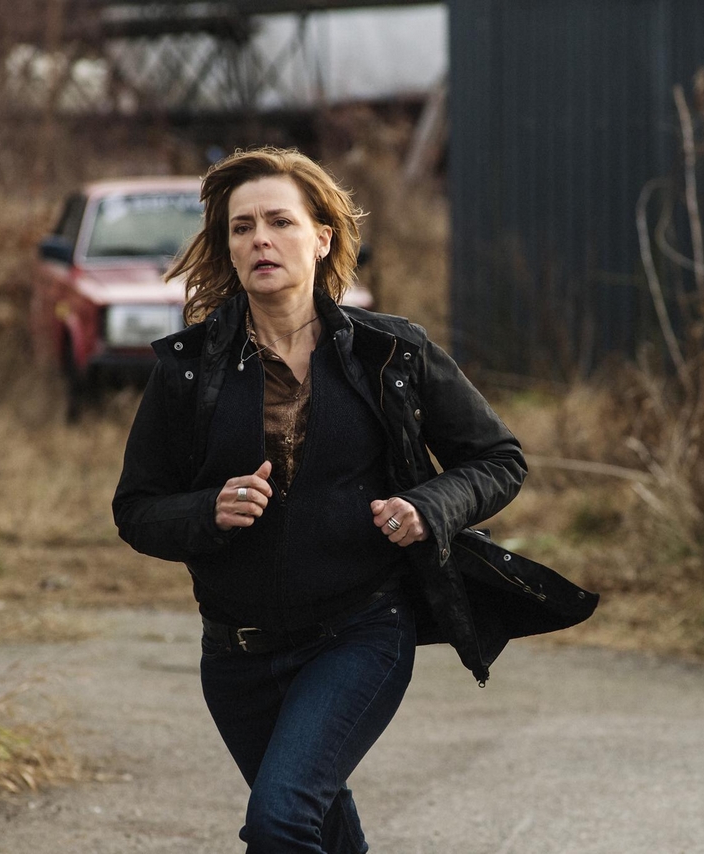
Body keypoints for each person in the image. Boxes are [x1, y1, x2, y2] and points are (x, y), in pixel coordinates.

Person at [112, 146, 594, 854]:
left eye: (280, 221)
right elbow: (136, 508)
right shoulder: (188, 372)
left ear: (322, 238)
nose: (260, 239)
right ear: (228, 248)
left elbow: (498, 459)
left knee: (279, 822)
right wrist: (206, 510)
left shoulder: (389, 354)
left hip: (359, 634)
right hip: (236, 654)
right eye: (242, 227)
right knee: (320, 827)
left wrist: (429, 507)